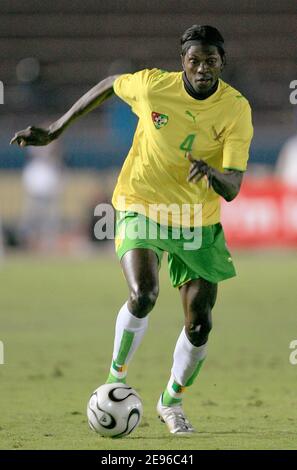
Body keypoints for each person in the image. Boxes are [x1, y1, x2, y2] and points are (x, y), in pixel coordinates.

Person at [10, 25, 253, 435]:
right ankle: (115, 379)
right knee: (144, 293)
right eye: (194, 60)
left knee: (200, 324)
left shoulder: (235, 109)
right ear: (183, 62)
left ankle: (171, 402)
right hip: (142, 203)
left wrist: (212, 173)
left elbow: (232, 187)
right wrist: (55, 129)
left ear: (221, 63)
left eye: (210, 61)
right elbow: (109, 85)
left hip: (197, 219)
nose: (202, 68)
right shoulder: (153, 86)